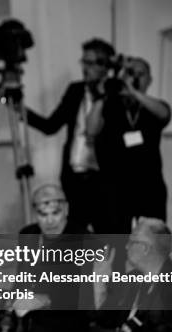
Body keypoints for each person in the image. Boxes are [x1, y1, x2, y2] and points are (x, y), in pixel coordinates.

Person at [24, 38, 116, 233]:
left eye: (91, 63)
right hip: (73, 179)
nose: (85, 68)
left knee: (107, 240)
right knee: (74, 240)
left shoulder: (115, 93)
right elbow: (50, 125)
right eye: (84, 62)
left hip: (104, 179)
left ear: (105, 66)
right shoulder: (75, 90)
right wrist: (21, 112)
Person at [14, 184, 92, 332]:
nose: (50, 220)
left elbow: (80, 292)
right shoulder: (28, 236)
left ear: (66, 209)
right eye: (43, 214)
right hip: (33, 321)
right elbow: (21, 277)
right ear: (35, 213)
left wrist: (43, 299)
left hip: (69, 318)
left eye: (55, 213)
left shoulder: (81, 238)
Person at [87, 56, 171, 233]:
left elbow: (164, 114)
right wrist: (101, 96)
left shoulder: (152, 107)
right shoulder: (109, 105)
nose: (136, 78)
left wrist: (134, 92)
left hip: (150, 186)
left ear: (150, 80)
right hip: (115, 187)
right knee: (115, 242)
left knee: (154, 241)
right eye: (131, 73)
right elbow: (91, 130)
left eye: (141, 74)